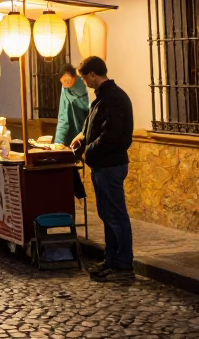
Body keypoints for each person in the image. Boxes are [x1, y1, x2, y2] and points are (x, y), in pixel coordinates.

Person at [70, 56, 134, 282]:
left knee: (116, 215)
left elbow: (111, 135)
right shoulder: (103, 97)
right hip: (104, 164)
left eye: (83, 77)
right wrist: (81, 136)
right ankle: (112, 260)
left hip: (109, 164)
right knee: (108, 214)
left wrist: (89, 151)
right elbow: (94, 124)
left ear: (93, 75)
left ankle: (123, 265)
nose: (83, 82)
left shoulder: (113, 98)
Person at [54, 63, 89, 200]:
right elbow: (63, 117)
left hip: (87, 132)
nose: (66, 84)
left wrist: (84, 133)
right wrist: (58, 142)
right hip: (73, 134)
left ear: (75, 77)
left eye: (68, 81)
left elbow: (91, 111)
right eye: (63, 82)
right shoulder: (65, 90)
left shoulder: (85, 87)